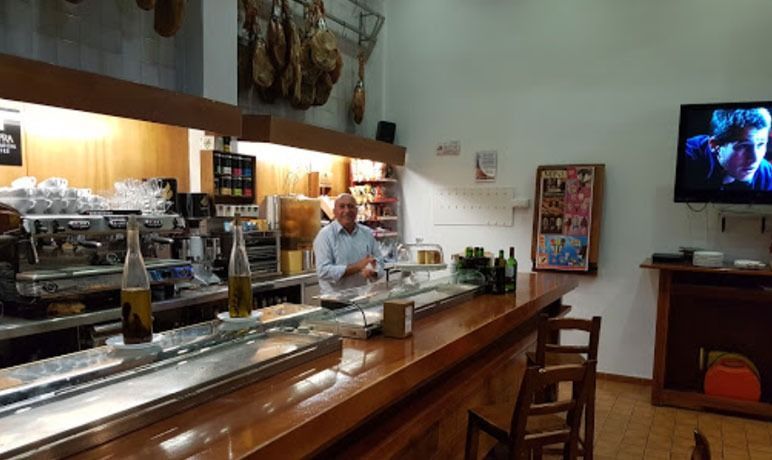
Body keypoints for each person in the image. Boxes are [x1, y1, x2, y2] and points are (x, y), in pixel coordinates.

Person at [683, 107, 772, 191]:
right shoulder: (685, 160)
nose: (755, 159)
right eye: (743, 146)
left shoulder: (766, 173)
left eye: (760, 144)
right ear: (714, 145)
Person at [314, 193, 384, 294]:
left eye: (351, 206)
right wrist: (357, 267)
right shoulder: (325, 236)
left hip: (361, 298)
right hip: (335, 301)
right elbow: (323, 271)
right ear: (334, 211)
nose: (347, 211)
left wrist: (374, 272)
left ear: (356, 211)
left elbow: (380, 262)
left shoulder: (367, 233)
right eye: (342, 207)